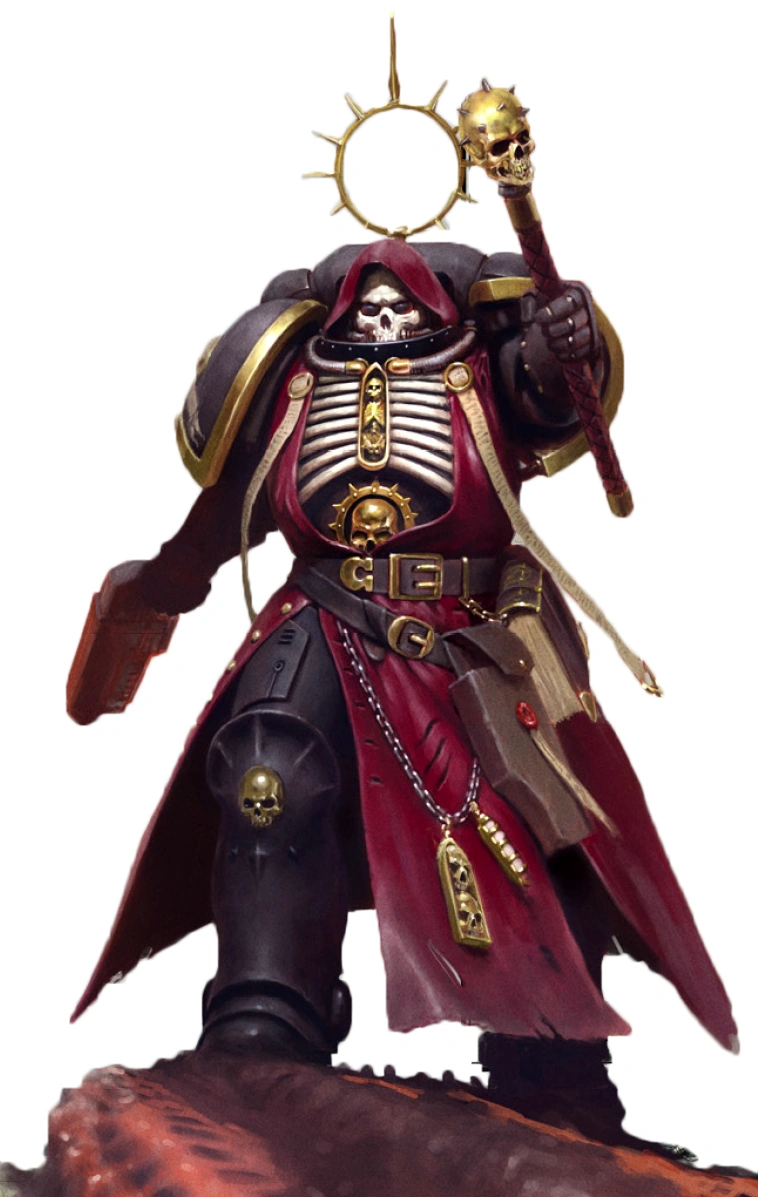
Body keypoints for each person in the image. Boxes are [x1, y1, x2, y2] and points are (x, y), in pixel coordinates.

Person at [67, 236, 736, 1152]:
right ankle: (264, 1018)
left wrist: (560, 343)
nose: (384, 318)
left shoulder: (485, 368)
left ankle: (550, 1060)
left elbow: (547, 392)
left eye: (404, 304)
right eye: (366, 306)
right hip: (321, 610)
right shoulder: (293, 380)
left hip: (471, 625)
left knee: (538, 820)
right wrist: (165, 582)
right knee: (267, 773)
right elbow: (233, 507)